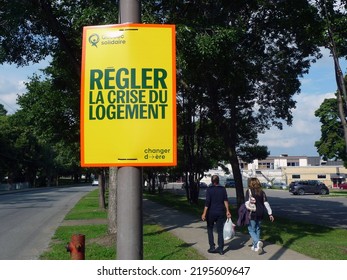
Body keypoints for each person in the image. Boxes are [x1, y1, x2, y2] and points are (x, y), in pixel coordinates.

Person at [201, 175, 231, 255]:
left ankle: (212, 247)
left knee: (210, 229)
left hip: (211, 213)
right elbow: (225, 200)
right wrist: (227, 211)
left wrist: (204, 213)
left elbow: (207, 202)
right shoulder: (223, 189)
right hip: (221, 212)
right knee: (220, 231)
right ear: (218, 181)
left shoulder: (209, 190)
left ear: (211, 181)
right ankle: (221, 249)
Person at [245, 177, 275, 254]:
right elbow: (266, 203)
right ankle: (256, 246)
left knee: (251, 229)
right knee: (257, 228)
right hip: (261, 212)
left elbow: (246, 203)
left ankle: (257, 242)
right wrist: (270, 213)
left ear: (251, 183)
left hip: (252, 212)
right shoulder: (262, 192)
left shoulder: (248, 192)